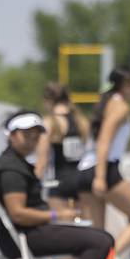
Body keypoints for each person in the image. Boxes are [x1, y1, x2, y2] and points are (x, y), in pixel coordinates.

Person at [0, 110, 115, 259]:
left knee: (101, 238)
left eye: (36, 135)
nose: (33, 139)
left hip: (32, 232)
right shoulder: (11, 169)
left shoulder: (18, 163)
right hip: (24, 237)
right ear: (11, 135)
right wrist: (57, 216)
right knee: (99, 241)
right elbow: (18, 214)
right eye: (26, 134)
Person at [76, 67, 130, 259]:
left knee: (96, 237)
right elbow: (104, 140)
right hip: (103, 169)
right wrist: (100, 177)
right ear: (126, 85)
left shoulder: (106, 103)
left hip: (85, 168)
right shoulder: (120, 107)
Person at [34, 82, 90, 210]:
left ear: (48, 100)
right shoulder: (82, 121)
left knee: (62, 227)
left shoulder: (49, 123)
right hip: (83, 181)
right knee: (85, 227)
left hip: (59, 182)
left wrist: (31, 185)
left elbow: (42, 162)